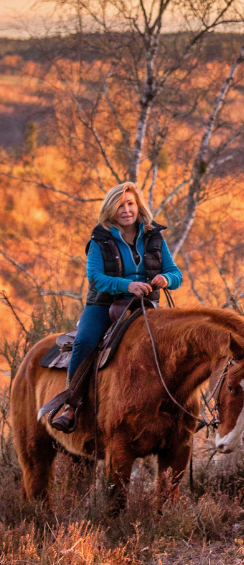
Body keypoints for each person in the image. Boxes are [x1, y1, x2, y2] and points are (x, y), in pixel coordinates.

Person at [47, 182, 183, 433]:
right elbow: (95, 278)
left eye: (130, 203)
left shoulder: (154, 236)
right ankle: (71, 405)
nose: (126, 209)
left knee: (177, 345)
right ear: (110, 209)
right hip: (103, 304)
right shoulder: (100, 239)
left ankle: (179, 408)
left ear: (138, 206)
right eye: (120, 205)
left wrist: (166, 280)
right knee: (85, 341)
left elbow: (175, 273)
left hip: (147, 305)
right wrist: (127, 285)